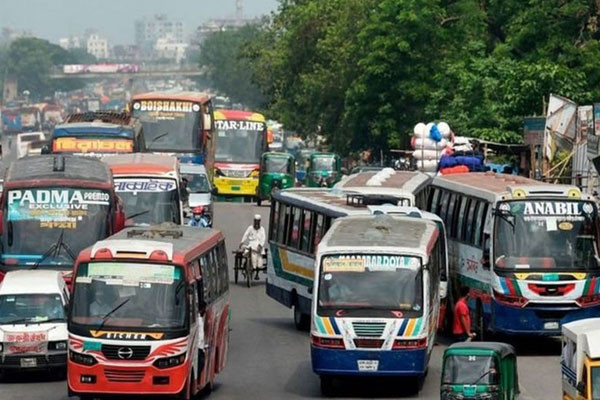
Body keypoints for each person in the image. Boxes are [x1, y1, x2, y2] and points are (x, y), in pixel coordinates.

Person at [240, 214, 266, 280]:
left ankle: (257, 273)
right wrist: (242, 242)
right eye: (255, 221)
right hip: (251, 244)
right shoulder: (250, 228)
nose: (256, 223)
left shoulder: (262, 229)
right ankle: (246, 265)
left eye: (258, 221)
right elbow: (246, 235)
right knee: (247, 252)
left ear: (260, 222)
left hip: (259, 246)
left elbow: (263, 238)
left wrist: (260, 245)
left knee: (259, 259)